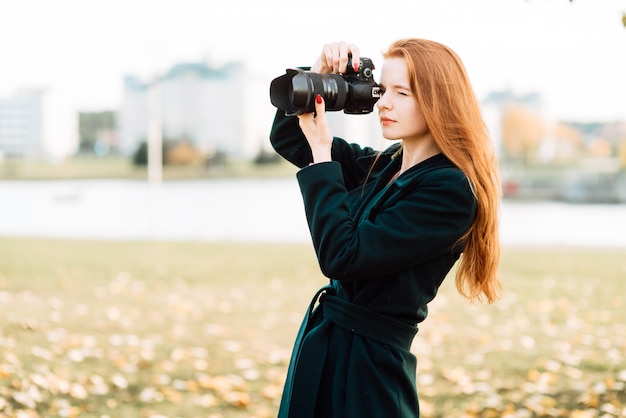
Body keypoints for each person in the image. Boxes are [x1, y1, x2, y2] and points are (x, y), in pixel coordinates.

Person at [269, 39, 501, 418]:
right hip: (328, 349)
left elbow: (343, 256)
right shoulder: (387, 165)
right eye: (383, 89)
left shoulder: (451, 189)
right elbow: (289, 138)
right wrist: (315, 76)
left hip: (371, 369)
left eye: (402, 93)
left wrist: (324, 158)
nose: (384, 103)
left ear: (437, 100)